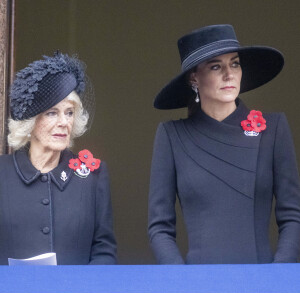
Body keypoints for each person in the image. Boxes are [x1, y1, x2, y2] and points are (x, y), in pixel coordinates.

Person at [148, 24, 300, 264]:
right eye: (216, 66)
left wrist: (278, 275)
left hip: (263, 285)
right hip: (198, 286)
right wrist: (181, 281)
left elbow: (293, 215)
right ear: (194, 78)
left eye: (235, 63)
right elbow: (160, 228)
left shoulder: (273, 129)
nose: (229, 74)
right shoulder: (171, 135)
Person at [0, 52, 117, 265]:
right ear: (30, 121)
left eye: (69, 112)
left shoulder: (93, 176)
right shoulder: (2, 173)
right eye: (52, 113)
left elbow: (104, 251)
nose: (64, 122)